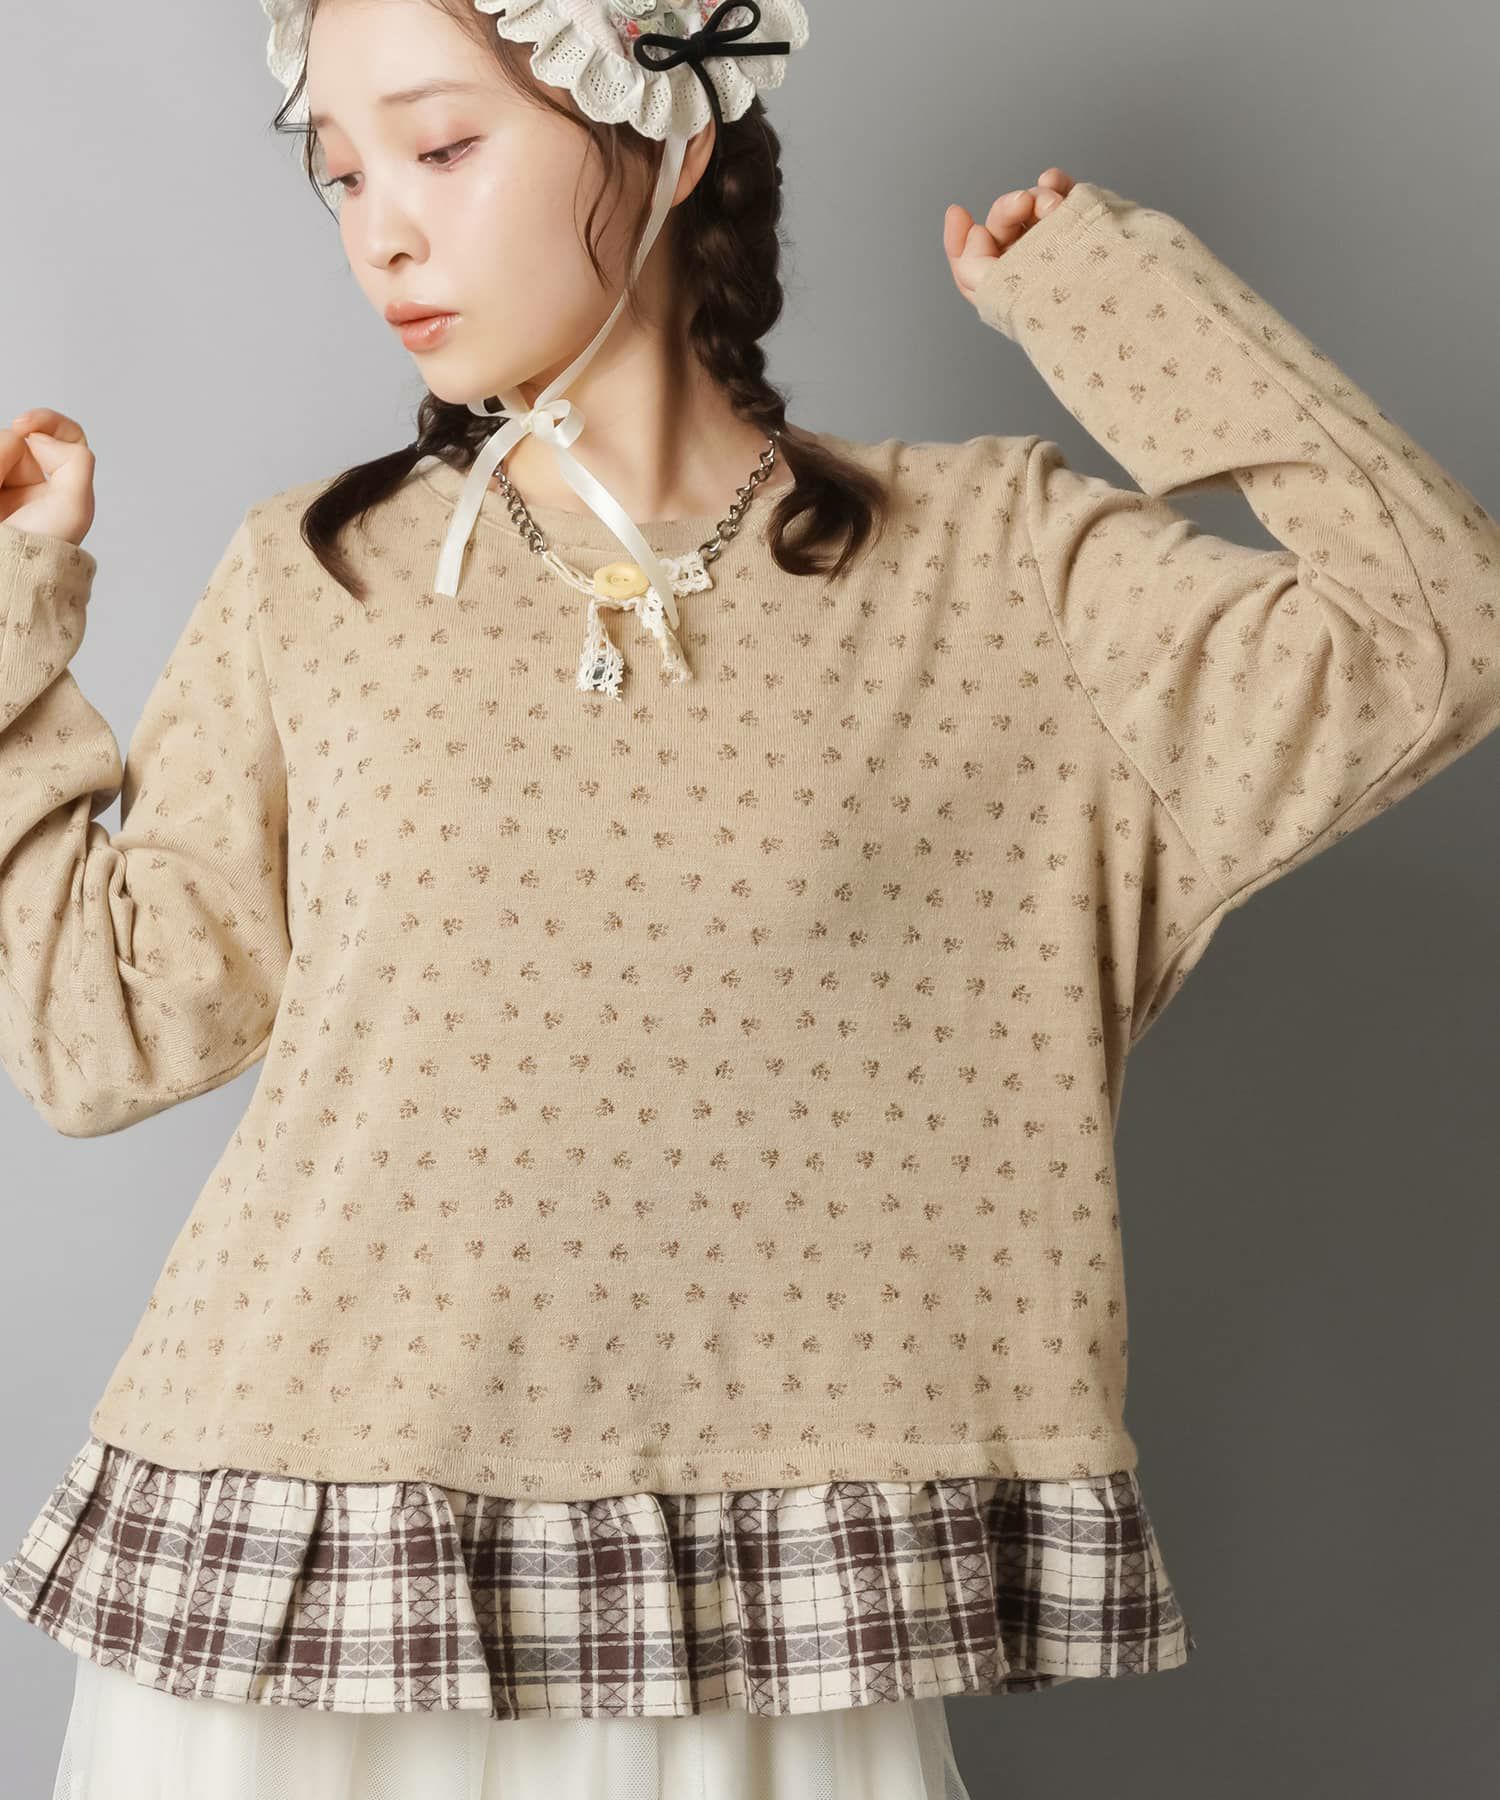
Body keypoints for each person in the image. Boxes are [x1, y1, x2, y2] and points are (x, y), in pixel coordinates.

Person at [2, 3, 1495, 1797]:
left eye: (442, 146)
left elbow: (1434, 632)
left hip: (777, 1610)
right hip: (301, 1595)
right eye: (339, 173)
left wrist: (1120, 309)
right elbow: (97, 1033)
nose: (380, 230)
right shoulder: (312, 576)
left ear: (671, 131)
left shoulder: (996, 564)